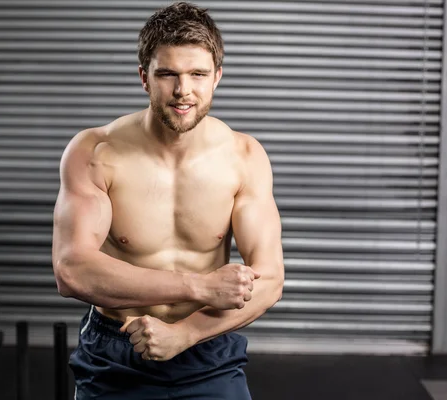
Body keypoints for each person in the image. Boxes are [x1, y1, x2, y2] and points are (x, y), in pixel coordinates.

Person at [51, 2, 284, 399]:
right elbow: (72, 270)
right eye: (167, 74)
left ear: (218, 77)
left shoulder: (244, 157)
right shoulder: (96, 151)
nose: (183, 91)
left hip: (208, 348)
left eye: (198, 74)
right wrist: (199, 286)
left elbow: (271, 279)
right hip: (116, 352)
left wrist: (185, 333)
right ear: (144, 78)